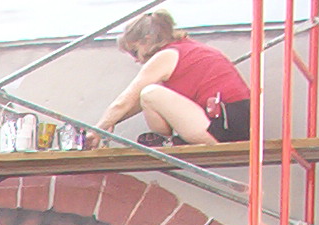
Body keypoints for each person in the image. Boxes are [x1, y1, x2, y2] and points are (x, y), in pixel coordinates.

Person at [98, 10, 250, 146]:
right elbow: (135, 102)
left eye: (134, 51)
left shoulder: (167, 55)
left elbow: (126, 100)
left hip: (223, 125)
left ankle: (164, 142)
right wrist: (111, 121)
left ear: (147, 40)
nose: (136, 60)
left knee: (150, 93)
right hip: (236, 122)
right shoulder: (189, 49)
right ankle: (167, 141)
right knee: (149, 95)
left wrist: (97, 129)